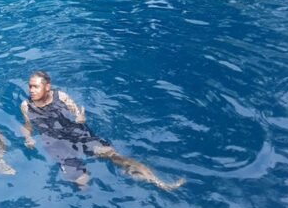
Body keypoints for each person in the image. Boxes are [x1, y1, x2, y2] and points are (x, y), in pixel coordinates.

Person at [20, 70, 184, 192]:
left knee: (112, 154)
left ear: (47, 87)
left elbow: (76, 112)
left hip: (76, 133)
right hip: (55, 143)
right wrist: (28, 137)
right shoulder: (26, 106)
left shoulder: (60, 96)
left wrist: (80, 118)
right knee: (81, 181)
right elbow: (27, 125)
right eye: (30, 86)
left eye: (35, 86)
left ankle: (159, 183)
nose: (31, 90)